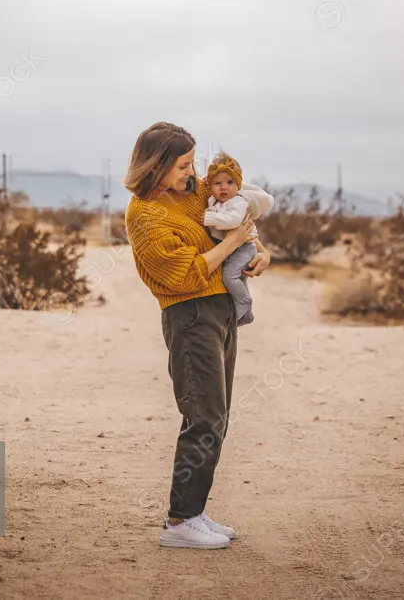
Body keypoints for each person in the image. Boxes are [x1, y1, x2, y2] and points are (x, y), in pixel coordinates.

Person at [124, 122, 271, 549]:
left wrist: (260, 251)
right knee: (203, 415)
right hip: (189, 316)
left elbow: (236, 214)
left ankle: (195, 511)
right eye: (184, 165)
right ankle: (179, 522)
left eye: (193, 163)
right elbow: (185, 273)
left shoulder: (192, 192)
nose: (194, 173)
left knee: (217, 415)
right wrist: (233, 245)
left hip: (221, 310)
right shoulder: (144, 214)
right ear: (158, 165)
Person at [202, 151, 275, 327]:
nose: (223, 187)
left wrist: (207, 218)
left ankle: (244, 303)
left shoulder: (238, 201)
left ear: (239, 184)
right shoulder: (216, 201)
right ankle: (244, 314)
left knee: (230, 276)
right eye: (217, 183)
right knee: (238, 277)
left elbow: (233, 220)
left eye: (230, 182)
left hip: (244, 248)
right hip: (234, 247)